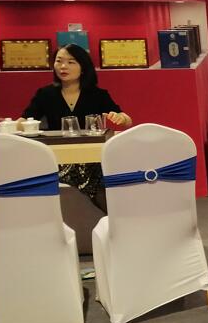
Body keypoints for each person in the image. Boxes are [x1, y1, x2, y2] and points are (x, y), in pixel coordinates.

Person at [22, 44, 133, 206]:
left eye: (71, 62)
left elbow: (127, 119)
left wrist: (119, 118)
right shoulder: (45, 94)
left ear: (83, 67)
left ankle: (112, 215)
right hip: (58, 159)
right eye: (59, 61)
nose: (63, 66)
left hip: (92, 159)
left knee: (106, 180)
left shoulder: (97, 94)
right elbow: (24, 121)